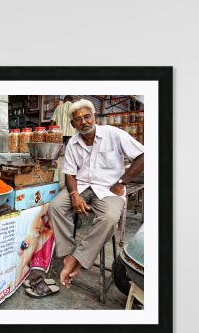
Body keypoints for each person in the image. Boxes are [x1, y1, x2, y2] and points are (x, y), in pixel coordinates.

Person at [48, 99, 145, 288]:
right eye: (78, 119)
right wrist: (74, 194)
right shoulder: (72, 144)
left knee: (109, 218)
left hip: (109, 189)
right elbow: (69, 173)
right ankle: (68, 254)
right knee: (56, 206)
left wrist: (122, 182)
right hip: (83, 187)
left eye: (87, 117)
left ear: (94, 117)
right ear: (72, 124)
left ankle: (79, 259)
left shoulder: (113, 134)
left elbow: (142, 156)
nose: (83, 122)